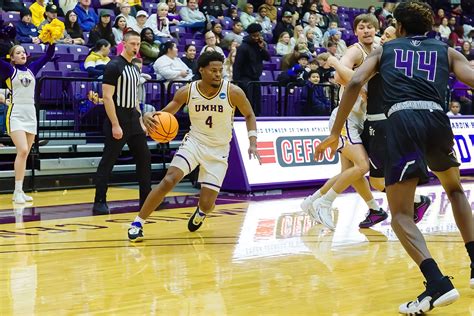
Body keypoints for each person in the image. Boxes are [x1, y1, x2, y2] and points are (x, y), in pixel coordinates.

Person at [314, 2, 474, 314]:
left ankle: (437, 283)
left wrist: (335, 132)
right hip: (438, 119)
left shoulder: (384, 50)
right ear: (428, 28)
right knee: (454, 190)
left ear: (398, 26)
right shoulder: (447, 51)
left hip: (403, 121)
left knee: (401, 214)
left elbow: (356, 81)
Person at [127, 51, 261, 241]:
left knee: (207, 204)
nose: (217, 74)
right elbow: (166, 114)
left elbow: (249, 115)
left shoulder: (233, 91)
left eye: (220, 70)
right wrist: (150, 116)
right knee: (168, 180)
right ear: (202, 71)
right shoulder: (188, 91)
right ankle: (137, 223)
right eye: (213, 70)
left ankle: (201, 212)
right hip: (195, 143)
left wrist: (253, 142)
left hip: (219, 150)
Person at [300, 14, 385, 230]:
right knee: (362, 165)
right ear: (356, 31)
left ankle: (312, 201)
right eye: (361, 27)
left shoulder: (379, 48)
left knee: (351, 172)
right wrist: (357, 80)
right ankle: (324, 204)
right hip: (346, 118)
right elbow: (338, 77)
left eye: (370, 27)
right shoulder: (356, 50)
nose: (366, 31)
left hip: (361, 119)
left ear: (376, 29)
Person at [92, 31, 151, 214]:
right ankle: (99, 201)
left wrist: (140, 120)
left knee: (145, 158)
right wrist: (115, 124)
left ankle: (147, 200)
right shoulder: (114, 66)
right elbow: (108, 98)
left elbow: (134, 98)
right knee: (108, 161)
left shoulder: (134, 67)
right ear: (123, 44)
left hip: (133, 118)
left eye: (138, 44)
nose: (136, 47)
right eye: (133, 43)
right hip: (117, 117)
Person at [0, 43, 56, 203]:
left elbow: (48, 55)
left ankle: (20, 191)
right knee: (23, 150)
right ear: (12, 57)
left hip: (30, 113)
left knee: (25, 154)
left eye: (24, 52)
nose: (23, 54)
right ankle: (17, 191)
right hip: (15, 112)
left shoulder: (32, 69)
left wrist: (51, 40)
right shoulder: (9, 70)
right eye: (18, 53)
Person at [233, 23, 270, 116]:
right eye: (254, 36)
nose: (257, 38)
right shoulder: (243, 47)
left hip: (256, 78)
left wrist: (262, 48)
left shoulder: (259, 46)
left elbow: (267, 58)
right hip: (245, 79)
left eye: (258, 35)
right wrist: (236, 81)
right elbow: (237, 65)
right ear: (249, 35)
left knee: (256, 103)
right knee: (247, 102)